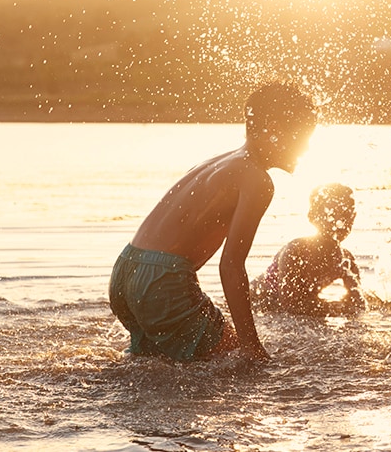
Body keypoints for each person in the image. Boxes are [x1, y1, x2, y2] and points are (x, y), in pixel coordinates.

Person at [108, 82, 317, 361]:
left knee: (153, 366)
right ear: (276, 130)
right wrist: (251, 347)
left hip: (125, 271)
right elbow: (231, 265)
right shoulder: (257, 180)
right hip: (162, 281)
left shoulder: (220, 162)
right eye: (303, 138)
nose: (306, 149)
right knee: (237, 364)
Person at [251, 183, 365, 316]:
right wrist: (336, 308)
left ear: (354, 217)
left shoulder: (346, 259)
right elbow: (290, 305)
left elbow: (358, 304)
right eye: (332, 214)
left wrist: (355, 301)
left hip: (285, 305)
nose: (339, 221)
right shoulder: (296, 251)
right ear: (312, 217)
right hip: (255, 302)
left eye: (346, 214)